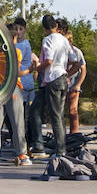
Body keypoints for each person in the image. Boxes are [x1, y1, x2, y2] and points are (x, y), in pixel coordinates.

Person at [0, 25, 33, 166]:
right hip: (13, 88)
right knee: (18, 122)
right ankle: (22, 154)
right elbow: (16, 72)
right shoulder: (16, 52)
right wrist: (31, 69)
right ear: (14, 37)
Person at [37, 14, 75, 158]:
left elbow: (49, 61)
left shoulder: (47, 39)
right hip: (63, 78)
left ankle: (60, 151)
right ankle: (62, 147)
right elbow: (75, 60)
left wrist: (38, 68)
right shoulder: (64, 40)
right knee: (60, 116)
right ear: (56, 26)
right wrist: (68, 73)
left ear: (45, 28)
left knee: (55, 117)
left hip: (53, 79)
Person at [64, 28, 86, 134]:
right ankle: (61, 135)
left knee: (73, 110)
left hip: (73, 85)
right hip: (61, 85)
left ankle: (74, 134)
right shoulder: (60, 52)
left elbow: (83, 70)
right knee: (59, 112)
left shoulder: (77, 52)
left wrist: (78, 84)